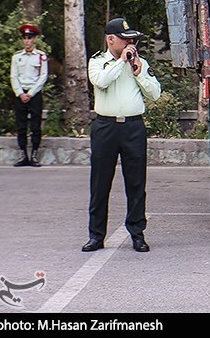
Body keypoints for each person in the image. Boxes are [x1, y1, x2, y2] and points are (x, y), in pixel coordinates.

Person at [82, 17, 161, 253]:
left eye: (132, 39)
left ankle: (137, 233)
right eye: (126, 39)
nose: (130, 43)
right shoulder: (97, 61)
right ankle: (96, 235)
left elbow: (155, 93)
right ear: (111, 39)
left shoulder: (140, 63)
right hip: (105, 127)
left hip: (133, 127)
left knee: (136, 182)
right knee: (100, 183)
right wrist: (121, 62)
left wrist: (139, 74)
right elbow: (101, 82)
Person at [10, 24, 48, 167]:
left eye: (29, 38)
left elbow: (43, 77)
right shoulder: (17, 57)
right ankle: (23, 155)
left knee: (35, 126)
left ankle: (34, 155)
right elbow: (14, 77)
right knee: (21, 126)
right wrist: (20, 93)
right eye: (25, 38)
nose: (27, 41)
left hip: (34, 95)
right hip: (20, 94)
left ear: (35, 40)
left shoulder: (41, 57)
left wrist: (30, 94)